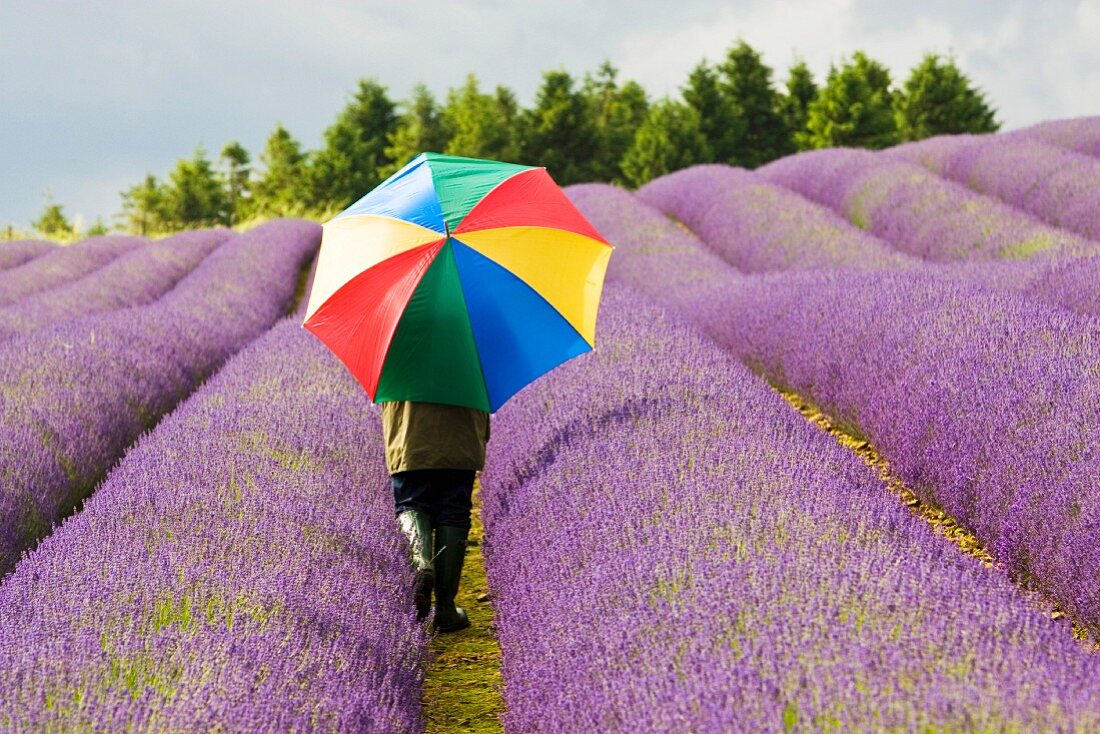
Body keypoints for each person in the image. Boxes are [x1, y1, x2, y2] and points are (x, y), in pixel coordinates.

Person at [383, 399, 490, 632]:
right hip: (461, 435)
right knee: (453, 512)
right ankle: (445, 609)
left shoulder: (398, 360)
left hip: (410, 436)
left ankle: (421, 566)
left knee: (411, 503)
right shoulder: (471, 360)